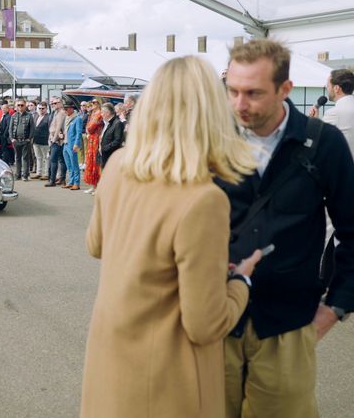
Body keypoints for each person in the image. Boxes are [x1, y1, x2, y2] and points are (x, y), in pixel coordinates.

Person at [82, 56, 262, 418]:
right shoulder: (203, 198)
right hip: (167, 379)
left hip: (111, 358)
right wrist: (241, 279)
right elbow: (205, 323)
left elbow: (96, 244)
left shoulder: (118, 165)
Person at [220, 39, 354, 418]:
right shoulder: (213, 140)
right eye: (233, 91)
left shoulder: (322, 142)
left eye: (253, 93)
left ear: (285, 90)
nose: (239, 104)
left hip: (287, 325)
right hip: (215, 322)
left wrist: (336, 306)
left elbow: (352, 228)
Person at [310, 68, 354, 155]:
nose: (327, 89)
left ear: (336, 88)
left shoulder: (334, 113)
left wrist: (314, 122)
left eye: (328, 86)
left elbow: (318, 141)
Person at [10, 99, 34, 181]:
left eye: (22, 105)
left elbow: (32, 128)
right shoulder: (13, 116)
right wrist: (12, 138)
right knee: (17, 158)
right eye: (18, 105)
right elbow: (11, 128)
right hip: (16, 140)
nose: (20, 107)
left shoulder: (29, 115)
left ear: (25, 106)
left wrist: (29, 139)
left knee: (25, 158)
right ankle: (18, 174)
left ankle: (25, 175)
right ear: (16, 106)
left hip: (25, 140)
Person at [83, 99, 104, 194]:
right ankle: (93, 185)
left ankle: (98, 186)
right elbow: (88, 126)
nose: (92, 104)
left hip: (96, 139)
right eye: (92, 102)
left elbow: (90, 127)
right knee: (90, 162)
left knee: (95, 163)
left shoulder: (99, 113)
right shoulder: (93, 113)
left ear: (99, 103)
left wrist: (88, 129)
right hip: (91, 140)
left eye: (95, 102)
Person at [46, 97, 66, 186]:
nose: (54, 105)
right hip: (54, 137)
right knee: (61, 159)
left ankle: (52, 180)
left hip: (57, 139)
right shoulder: (55, 112)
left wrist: (54, 138)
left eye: (56, 103)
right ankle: (61, 178)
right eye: (53, 103)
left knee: (53, 160)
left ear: (61, 103)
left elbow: (58, 127)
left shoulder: (61, 113)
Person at [62, 100, 82, 190]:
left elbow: (79, 133)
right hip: (65, 143)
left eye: (66, 108)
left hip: (72, 144)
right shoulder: (67, 117)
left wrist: (76, 144)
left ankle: (76, 183)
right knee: (68, 164)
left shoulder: (77, 118)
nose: (65, 110)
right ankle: (71, 181)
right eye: (64, 108)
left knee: (74, 165)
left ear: (71, 108)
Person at [98, 102, 124, 169]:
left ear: (108, 113)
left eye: (102, 112)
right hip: (105, 155)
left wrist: (105, 148)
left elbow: (117, 141)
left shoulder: (117, 123)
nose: (101, 115)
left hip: (111, 156)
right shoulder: (107, 123)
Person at [31, 102, 50, 179]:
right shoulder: (35, 116)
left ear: (46, 109)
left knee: (46, 157)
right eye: (40, 108)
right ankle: (38, 172)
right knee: (38, 157)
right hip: (36, 140)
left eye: (43, 108)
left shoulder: (48, 117)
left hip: (45, 140)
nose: (41, 110)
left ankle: (46, 174)